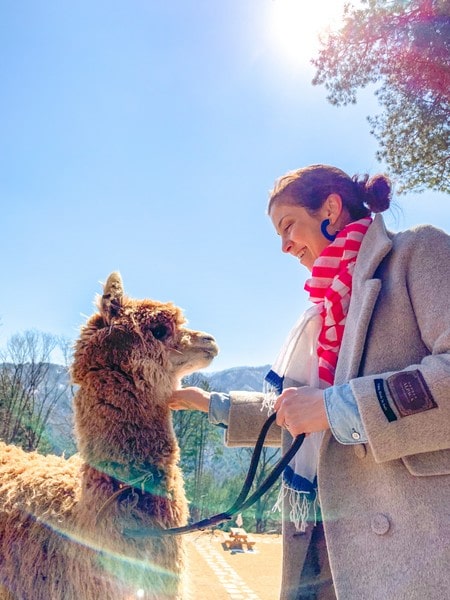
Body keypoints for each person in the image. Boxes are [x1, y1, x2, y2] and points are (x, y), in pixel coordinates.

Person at [170, 164, 450, 600]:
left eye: (288, 226)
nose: (283, 246)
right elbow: (307, 412)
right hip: (321, 542)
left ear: (331, 210)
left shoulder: (418, 253)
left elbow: (327, 408)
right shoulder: (322, 311)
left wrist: (334, 409)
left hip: (408, 543)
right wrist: (211, 404)